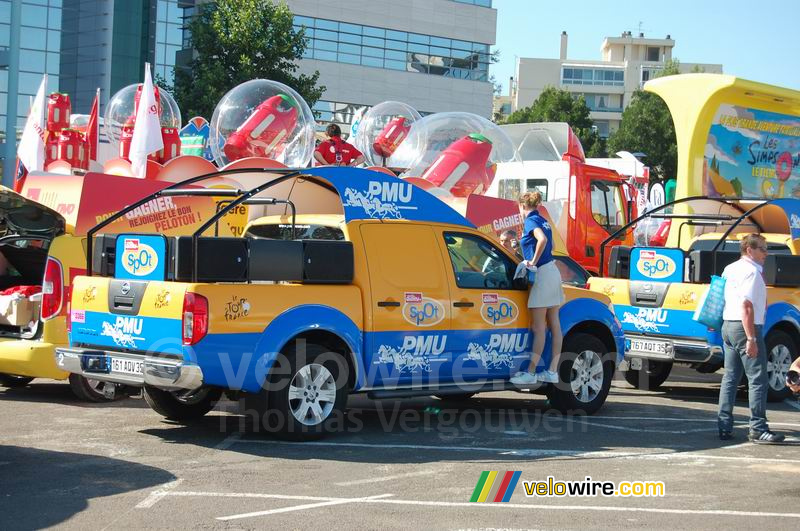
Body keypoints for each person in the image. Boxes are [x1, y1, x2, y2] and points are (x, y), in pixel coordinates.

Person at [717, 234, 784, 443]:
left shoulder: (730, 268)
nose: (766, 253)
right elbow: (747, 306)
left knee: (730, 377)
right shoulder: (752, 272)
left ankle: (724, 425)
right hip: (745, 326)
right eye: (762, 249)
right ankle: (758, 427)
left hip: (728, 324)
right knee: (758, 379)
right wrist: (751, 338)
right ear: (750, 250)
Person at [510, 191, 565, 385]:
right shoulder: (543, 220)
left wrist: (531, 261)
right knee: (555, 325)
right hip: (552, 271)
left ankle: (531, 372)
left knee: (539, 328)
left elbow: (542, 240)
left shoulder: (530, 221)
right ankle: (552, 371)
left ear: (522, 206)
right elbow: (551, 243)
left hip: (541, 273)